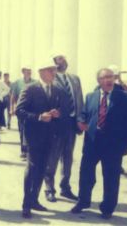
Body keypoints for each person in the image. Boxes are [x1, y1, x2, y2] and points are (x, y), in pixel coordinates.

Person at [71, 68, 127, 220]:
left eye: (111, 77)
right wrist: (81, 121)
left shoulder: (124, 97)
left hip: (113, 145)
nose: (108, 80)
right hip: (92, 142)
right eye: (105, 77)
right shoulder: (91, 96)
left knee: (111, 177)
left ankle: (107, 208)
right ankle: (83, 201)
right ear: (99, 81)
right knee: (86, 173)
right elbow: (84, 114)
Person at [16, 59, 68, 219]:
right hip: (33, 137)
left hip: (50, 137)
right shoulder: (30, 88)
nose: (54, 73)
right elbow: (19, 111)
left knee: (42, 169)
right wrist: (39, 117)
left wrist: (56, 114)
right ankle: (26, 204)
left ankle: (34, 200)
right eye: (51, 70)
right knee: (32, 169)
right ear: (41, 72)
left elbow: (61, 111)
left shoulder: (57, 90)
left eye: (54, 70)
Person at [44, 54, 84, 201]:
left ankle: (65, 187)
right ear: (54, 62)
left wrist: (81, 119)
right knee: (52, 158)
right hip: (56, 125)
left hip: (72, 125)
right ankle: (49, 188)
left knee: (68, 158)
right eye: (60, 58)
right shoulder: (50, 79)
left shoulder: (75, 79)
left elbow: (79, 99)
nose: (64, 60)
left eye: (64, 58)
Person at [11, 66, 36, 160]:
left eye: (30, 71)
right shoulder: (17, 83)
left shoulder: (35, 82)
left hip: (31, 110)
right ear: (23, 72)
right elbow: (13, 96)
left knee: (31, 130)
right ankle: (23, 151)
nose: (29, 72)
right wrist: (12, 108)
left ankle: (29, 150)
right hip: (21, 110)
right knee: (22, 130)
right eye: (27, 71)